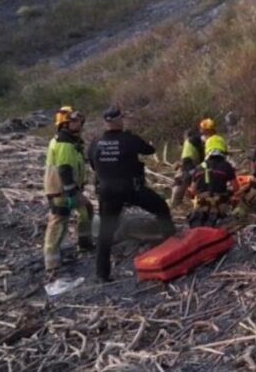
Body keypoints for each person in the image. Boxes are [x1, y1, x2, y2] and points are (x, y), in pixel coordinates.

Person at [88, 104, 174, 282]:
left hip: (107, 192)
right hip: (131, 189)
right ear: (119, 120)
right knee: (162, 208)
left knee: (105, 233)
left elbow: (92, 164)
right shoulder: (128, 139)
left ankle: (101, 274)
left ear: (105, 123)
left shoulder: (95, 141)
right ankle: (172, 247)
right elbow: (150, 150)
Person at [42, 106, 93, 274]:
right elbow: (64, 169)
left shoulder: (71, 141)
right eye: (75, 121)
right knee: (58, 222)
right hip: (61, 190)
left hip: (70, 189)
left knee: (86, 209)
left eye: (79, 121)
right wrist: (71, 192)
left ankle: (84, 244)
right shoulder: (64, 143)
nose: (80, 124)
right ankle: (52, 265)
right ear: (65, 124)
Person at [188, 134, 236, 226]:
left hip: (201, 207)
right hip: (220, 207)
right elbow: (236, 188)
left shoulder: (199, 168)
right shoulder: (226, 166)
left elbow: (193, 191)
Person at [171, 118, 217, 206]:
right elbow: (187, 162)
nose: (209, 133)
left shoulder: (214, 140)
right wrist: (195, 173)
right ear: (202, 130)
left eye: (211, 131)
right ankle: (174, 205)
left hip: (206, 167)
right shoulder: (191, 142)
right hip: (191, 167)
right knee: (181, 183)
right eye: (207, 131)